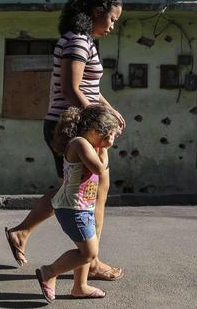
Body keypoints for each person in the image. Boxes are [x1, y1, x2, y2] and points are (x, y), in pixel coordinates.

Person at [5, 0, 125, 281]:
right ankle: (90, 261)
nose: (112, 27)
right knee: (88, 192)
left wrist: (109, 110)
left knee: (73, 190)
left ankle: (23, 232)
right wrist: (99, 119)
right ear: (97, 12)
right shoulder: (76, 41)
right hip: (71, 126)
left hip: (80, 123)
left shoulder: (82, 40)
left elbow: (90, 89)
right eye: (111, 20)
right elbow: (72, 90)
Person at [36, 104, 119, 302]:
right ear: (94, 130)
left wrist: (102, 144)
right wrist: (105, 148)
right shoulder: (80, 144)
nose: (110, 139)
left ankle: (80, 287)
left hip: (82, 207)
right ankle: (49, 272)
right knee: (89, 253)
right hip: (72, 208)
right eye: (108, 134)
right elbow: (99, 169)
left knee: (85, 250)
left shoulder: (88, 144)